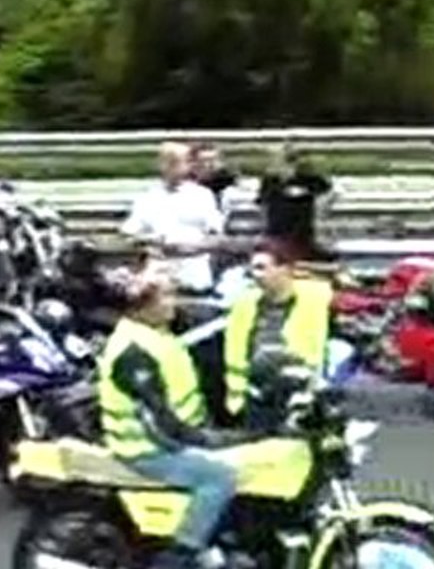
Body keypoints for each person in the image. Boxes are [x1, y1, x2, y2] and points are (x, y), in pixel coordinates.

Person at [97, 263, 252, 569]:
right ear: (143, 307)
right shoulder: (133, 353)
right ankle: (182, 552)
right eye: (165, 297)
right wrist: (208, 440)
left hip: (172, 436)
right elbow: (159, 426)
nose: (173, 303)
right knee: (220, 477)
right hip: (146, 449)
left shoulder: (156, 332)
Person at [223, 240, 333, 423]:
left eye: (261, 268)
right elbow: (235, 353)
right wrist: (238, 399)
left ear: (285, 269)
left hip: (299, 395)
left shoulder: (316, 297)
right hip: (255, 397)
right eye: (253, 269)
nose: (255, 275)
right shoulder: (244, 304)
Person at [121, 142, 225, 294]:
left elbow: (218, 236)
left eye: (178, 161)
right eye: (168, 161)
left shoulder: (202, 196)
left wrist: (194, 248)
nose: (172, 166)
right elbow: (129, 234)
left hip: (194, 270)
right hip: (159, 273)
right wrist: (150, 242)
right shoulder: (147, 198)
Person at [256, 145, 333, 262]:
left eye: (290, 163)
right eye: (282, 163)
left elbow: (327, 189)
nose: (286, 168)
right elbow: (262, 204)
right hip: (277, 235)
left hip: (302, 235)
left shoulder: (308, 180)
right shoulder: (270, 182)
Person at [189, 142, 238, 217]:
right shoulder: (186, 185)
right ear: (194, 163)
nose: (209, 165)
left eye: (213, 160)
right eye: (204, 161)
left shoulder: (228, 184)